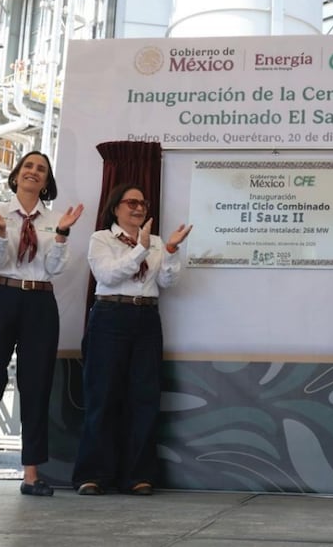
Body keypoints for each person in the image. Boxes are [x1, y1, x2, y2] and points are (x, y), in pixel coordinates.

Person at [0, 150, 83, 497]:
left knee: (37, 385)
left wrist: (61, 235)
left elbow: (54, 268)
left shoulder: (55, 219)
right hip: (1, 296)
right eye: (28, 166)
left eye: (41, 169)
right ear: (16, 175)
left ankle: (31, 475)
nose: (34, 172)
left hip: (40, 301)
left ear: (47, 181)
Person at [72, 184, 192, 496]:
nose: (139, 208)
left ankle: (138, 475)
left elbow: (168, 281)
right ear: (115, 208)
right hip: (110, 316)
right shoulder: (101, 238)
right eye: (132, 203)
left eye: (143, 203)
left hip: (146, 318)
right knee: (102, 396)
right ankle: (93, 474)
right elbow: (108, 276)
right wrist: (141, 248)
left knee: (144, 397)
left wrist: (170, 250)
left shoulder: (156, 242)